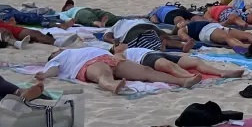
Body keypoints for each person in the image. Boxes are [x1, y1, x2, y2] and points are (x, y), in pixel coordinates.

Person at [38, 46, 200, 94]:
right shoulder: (57, 57)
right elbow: (54, 70)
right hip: (87, 63)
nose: (57, 49)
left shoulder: (75, 49)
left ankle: (182, 81)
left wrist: (118, 55)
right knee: (104, 73)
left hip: (109, 58)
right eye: (55, 51)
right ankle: (112, 86)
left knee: (145, 71)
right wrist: (44, 74)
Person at [111, 43, 246, 79]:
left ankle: (222, 72)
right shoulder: (120, 54)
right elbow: (124, 64)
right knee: (168, 65)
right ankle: (189, 77)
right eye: (118, 44)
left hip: (156, 54)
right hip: (145, 59)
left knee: (195, 61)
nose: (122, 44)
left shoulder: (132, 47)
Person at [172, 15, 252, 49]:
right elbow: (183, 36)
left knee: (247, 35)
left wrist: (227, 22)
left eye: (182, 21)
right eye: (178, 23)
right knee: (228, 38)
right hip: (206, 31)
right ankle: (248, 47)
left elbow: (220, 24)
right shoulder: (182, 29)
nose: (181, 22)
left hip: (217, 26)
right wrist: (189, 41)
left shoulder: (195, 22)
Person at [101, 18, 180, 52]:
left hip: (132, 31)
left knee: (141, 40)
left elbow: (106, 36)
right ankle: (182, 46)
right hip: (148, 27)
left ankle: (158, 48)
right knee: (164, 38)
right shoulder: (141, 20)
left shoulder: (120, 22)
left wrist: (112, 41)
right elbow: (107, 36)